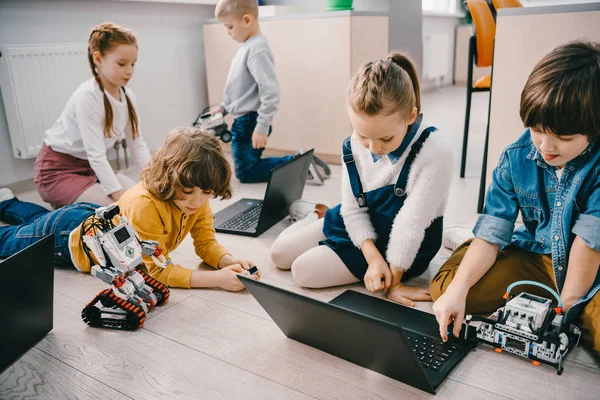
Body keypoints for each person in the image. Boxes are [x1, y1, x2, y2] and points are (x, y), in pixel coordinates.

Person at [430, 40, 600, 357]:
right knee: (448, 290)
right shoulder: (516, 158)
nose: (546, 146)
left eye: (564, 137)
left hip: (591, 266)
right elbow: (493, 232)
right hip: (538, 252)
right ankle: (465, 239)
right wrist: (458, 291)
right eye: (536, 129)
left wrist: (561, 314)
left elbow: (588, 247)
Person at [270, 51, 454, 306]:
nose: (373, 148)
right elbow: (353, 210)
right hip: (359, 224)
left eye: (385, 139)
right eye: (362, 135)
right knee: (279, 255)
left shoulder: (436, 150)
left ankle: (322, 228)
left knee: (303, 271)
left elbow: (410, 224)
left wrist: (396, 281)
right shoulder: (355, 144)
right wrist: (372, 258)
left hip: (404, 246)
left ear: (411, 116)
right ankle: (316, 213)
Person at [1, 127, 258, 291]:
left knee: (38, 221)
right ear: (169, 177)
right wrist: (218, 280)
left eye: (206, 193)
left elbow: (205, 243)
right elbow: (158, 271)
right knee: (12, 240)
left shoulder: (197, 197)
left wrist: (229, 261)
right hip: (69, 239)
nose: (198, 201)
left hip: (91, 217)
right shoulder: (145, 206)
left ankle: (7, 203)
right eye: (189, 192)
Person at [34, 22, 151, 209]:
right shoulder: (88, 96)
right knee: (121, 210)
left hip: (89, 168)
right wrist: (120, 197)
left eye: (133, 64)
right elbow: (96, 155)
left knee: (142, 200)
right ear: (98, 58)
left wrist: (154, 180)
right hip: (57, 171)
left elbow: (137, 143)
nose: (129, 70)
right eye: (122, 64)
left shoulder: (128, 96)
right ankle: (11, 205)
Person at [212, 0, 330, 184]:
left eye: (230, 27)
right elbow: (241, 89)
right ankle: (298, 163)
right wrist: (224, 108)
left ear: (247, 20)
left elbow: (271, 92)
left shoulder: (257, 49)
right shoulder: (247, 47)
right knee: (247, 166)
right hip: (244, 120)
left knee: (246, 172)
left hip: (250, 122)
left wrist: (262, 126)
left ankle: (297, 163)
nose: (228, 33)